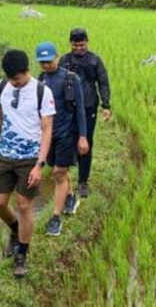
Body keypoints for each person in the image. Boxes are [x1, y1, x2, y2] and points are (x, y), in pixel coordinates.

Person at [0, 49, 55, 278]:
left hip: (29, 158)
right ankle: (16, 230)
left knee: (24, 206)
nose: (13, 83)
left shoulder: (41, 92)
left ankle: (21, 254)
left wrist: (39, 164)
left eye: (17, 79)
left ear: (26, 71)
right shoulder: (1, 87)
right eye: (10, 79)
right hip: (4, 156)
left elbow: (47, 130)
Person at [36, 41, 88, 236]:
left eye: (49, 61)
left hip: (67, 133)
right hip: (49, 136)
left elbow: (80, 108)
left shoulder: (70, 79)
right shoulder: (39, 81)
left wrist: (83, 136)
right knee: (59, 172)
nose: (47, 65)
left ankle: (55, 218)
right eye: (43, 62)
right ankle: (71, 196)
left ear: (57, 57)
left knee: (58, 173)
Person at [59, 28, 111, 198]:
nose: (79, 48)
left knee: (85, 144)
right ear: (70, 44)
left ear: (87, 42)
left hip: (88, 108)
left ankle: (82, 181)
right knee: (67, 143)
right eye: (75, 45)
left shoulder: (94, 60)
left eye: (82, 45)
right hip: (69, 109)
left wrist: (106, 105)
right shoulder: (64, 61)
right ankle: (65, 184)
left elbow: (103, 82)